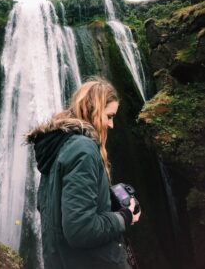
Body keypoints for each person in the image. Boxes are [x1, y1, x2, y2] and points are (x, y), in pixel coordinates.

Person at [27, 77, 141, 269]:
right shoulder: (83, 150)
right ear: (94, 111)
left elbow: (53, 211)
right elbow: (81, 230)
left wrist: (104, 200)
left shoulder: (57, 149)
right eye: (110, 116)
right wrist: (125, 216)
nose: (111, 125)